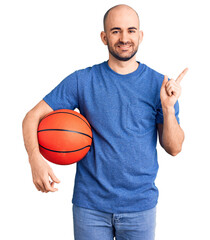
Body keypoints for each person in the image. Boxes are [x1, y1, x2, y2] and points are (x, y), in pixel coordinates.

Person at [22, 4, 188, 240]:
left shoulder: (159, 84)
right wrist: (35, 159)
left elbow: (174, 148)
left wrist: (168, 109)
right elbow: (31, 117)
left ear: (140, 36)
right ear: (104, 37)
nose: (124, 38)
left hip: (140, 207)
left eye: (131, 31)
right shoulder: (82, 80)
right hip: (90, 207)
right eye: (115, 31)